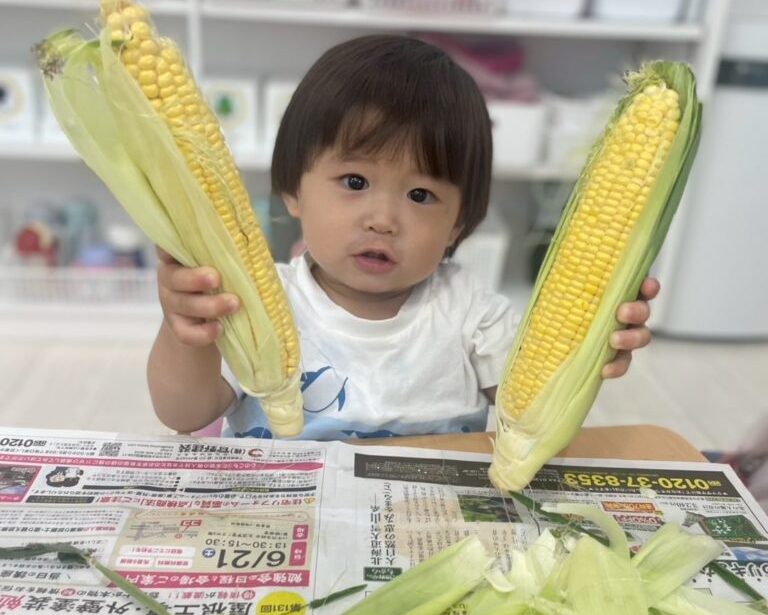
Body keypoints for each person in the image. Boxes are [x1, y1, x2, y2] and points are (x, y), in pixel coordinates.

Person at [148, 36, 658, 441]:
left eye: (420, 195)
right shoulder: (257, 300)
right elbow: (184, 414)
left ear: (458, 223)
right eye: (355, 182)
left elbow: (536, 422)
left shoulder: (469, 312)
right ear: (292, 190)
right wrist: (184, 334)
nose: (384, 220)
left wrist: (589, 347)